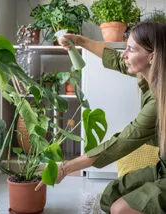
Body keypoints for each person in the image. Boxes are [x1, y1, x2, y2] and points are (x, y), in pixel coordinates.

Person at [35, 21, 166, 214]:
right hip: (162, 167)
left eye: (131, 49)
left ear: (152, 57)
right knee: (109, 197)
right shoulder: (150, 74)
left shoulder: (158, 101)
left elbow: (121, 142)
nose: (124, 54)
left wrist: (65, 168)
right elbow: (116, 60)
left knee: (119, 209)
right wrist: (80, 41)